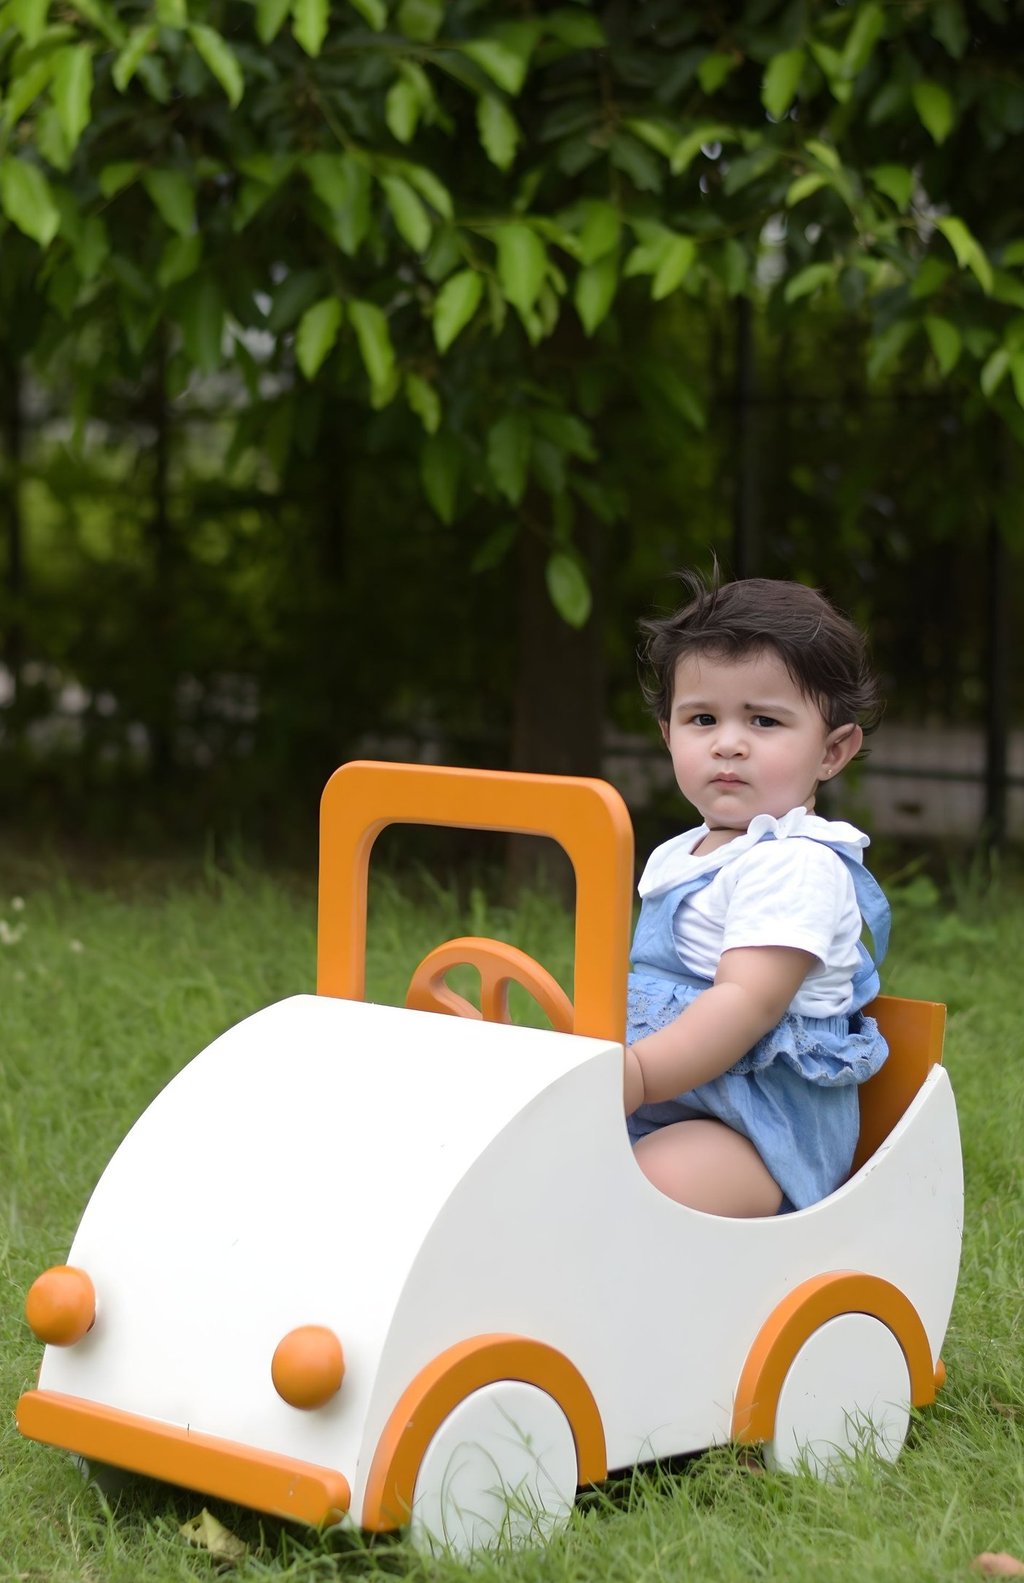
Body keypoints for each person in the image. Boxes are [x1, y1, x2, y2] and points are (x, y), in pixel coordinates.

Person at [622, 572, 890, 1218]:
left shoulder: (795, 864)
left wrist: (633, 1075)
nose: (728, 741)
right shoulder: (679, 855)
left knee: (638, 1191)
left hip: (757, 1130)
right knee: (543, 1162)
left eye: (764, 720)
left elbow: (745, 1002)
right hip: (669, 1099)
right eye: (703, 718)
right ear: (668, 734)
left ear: (832, 751)